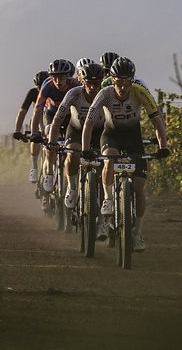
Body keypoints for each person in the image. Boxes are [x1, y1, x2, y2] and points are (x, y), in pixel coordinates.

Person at [81, 56, 169, 252]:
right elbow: (88, 123)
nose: (122, 87)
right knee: (109, 161)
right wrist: (86, 149)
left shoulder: (139, 92)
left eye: (126, 82)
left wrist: (163, 146)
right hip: (111, 136)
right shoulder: (104, 94)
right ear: (112, 81)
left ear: (132, 81)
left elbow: (156, 121)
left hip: (133, 138)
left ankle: (137, 234)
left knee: (138, 187)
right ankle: (108, 200)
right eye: (118, 82)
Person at [48, 61, 105, 209]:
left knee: (105, 164)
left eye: (96, 83)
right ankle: (72, 188)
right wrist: (52, 142)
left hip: (99, 131)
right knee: (73, 156)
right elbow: (57, 120)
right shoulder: (73, 94)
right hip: (76, 130)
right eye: (89, 83)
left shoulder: (107, 93)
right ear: (82, 81)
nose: (93, 87)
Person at [32, 59, 79, 193]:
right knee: (51, 139)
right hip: (52, 115)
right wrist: (35, 131)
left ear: (67, 76)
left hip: (69, 116)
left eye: (61, 77)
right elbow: (38, 109)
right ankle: (49, 173)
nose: (58, 80)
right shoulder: (47, 85)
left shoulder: (75, 85)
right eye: (55, 77)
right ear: (51, 77)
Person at [13, 70, 50, 183]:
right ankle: (34, 166)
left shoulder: (52, 90)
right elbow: (22, 111)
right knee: (35, 137)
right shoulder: (33, 93)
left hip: (50, 119)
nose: (41, 89)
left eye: (43, 85)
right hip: (37, 120)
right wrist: (17, 130)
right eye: (38, 86)